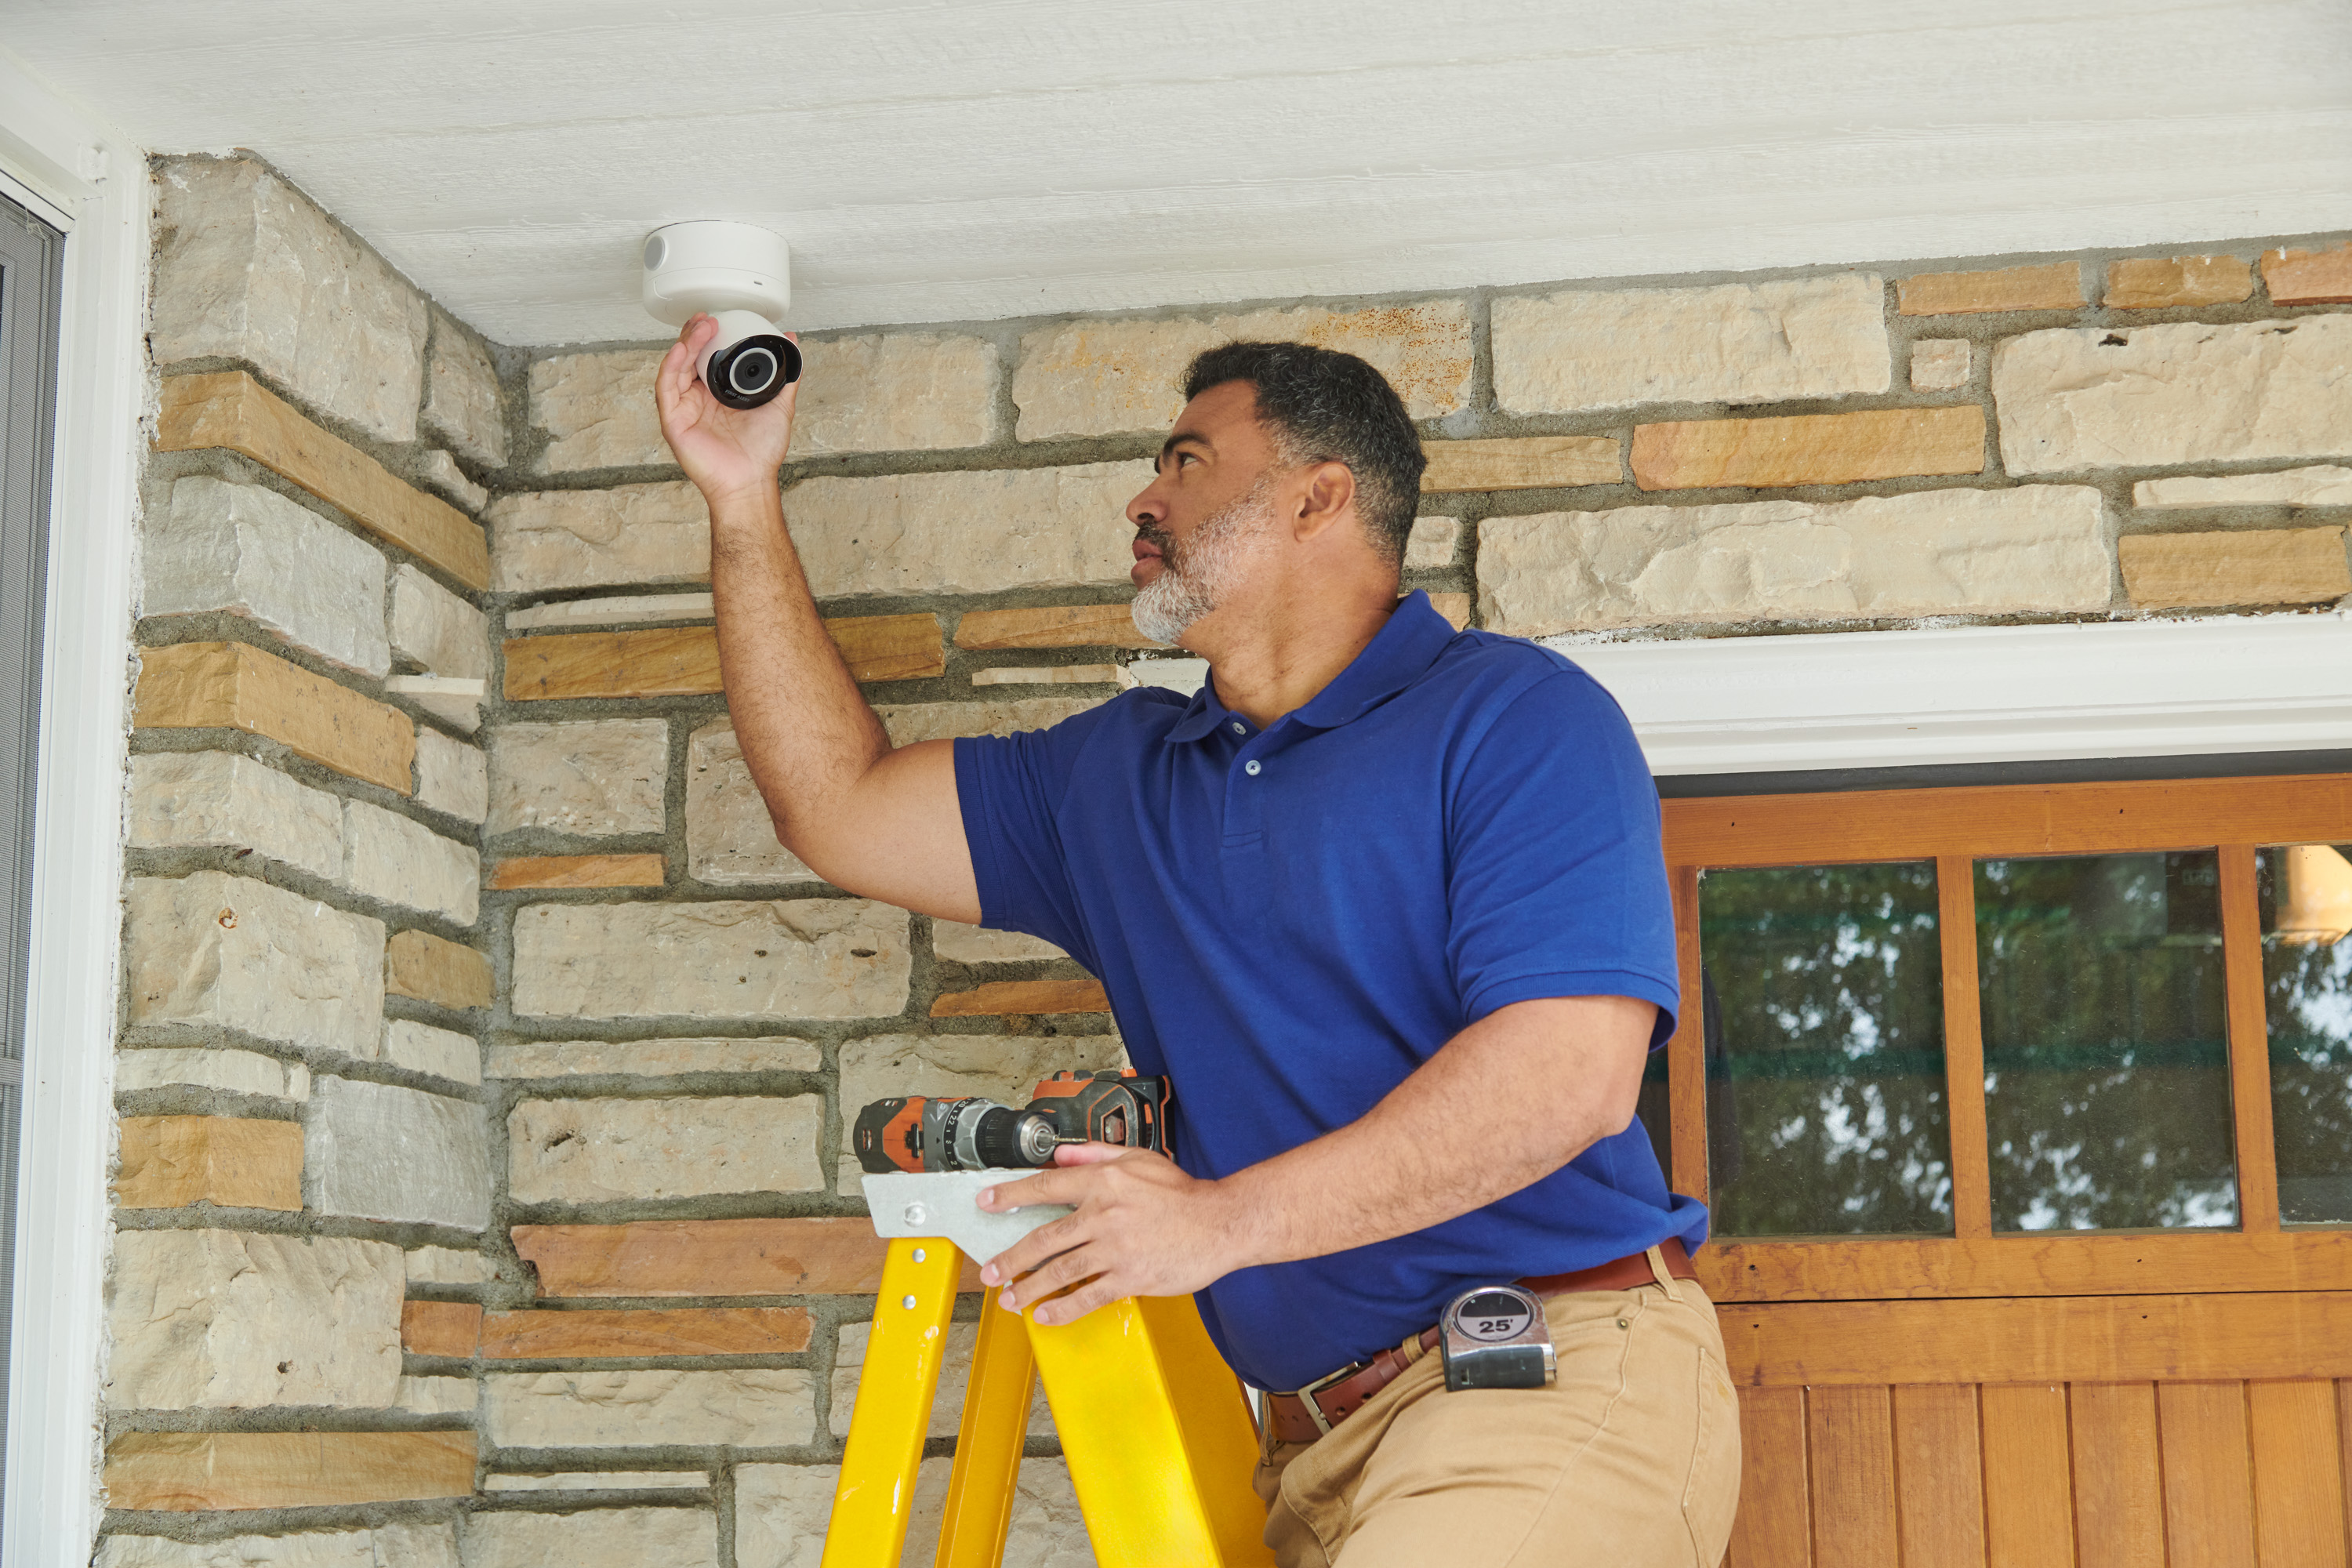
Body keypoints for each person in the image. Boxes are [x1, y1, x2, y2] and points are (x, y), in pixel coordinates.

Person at [654, 321, 1741, 1567]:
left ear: (1316, 499)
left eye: (1185, 461)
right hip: (1309, 1451)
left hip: (1545, 1379)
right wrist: (740, 500)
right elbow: (839, 807)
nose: (1143, 496)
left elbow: (1566, 1081)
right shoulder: (1115, 780)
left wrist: (1216, 1225)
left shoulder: (1517, 721)